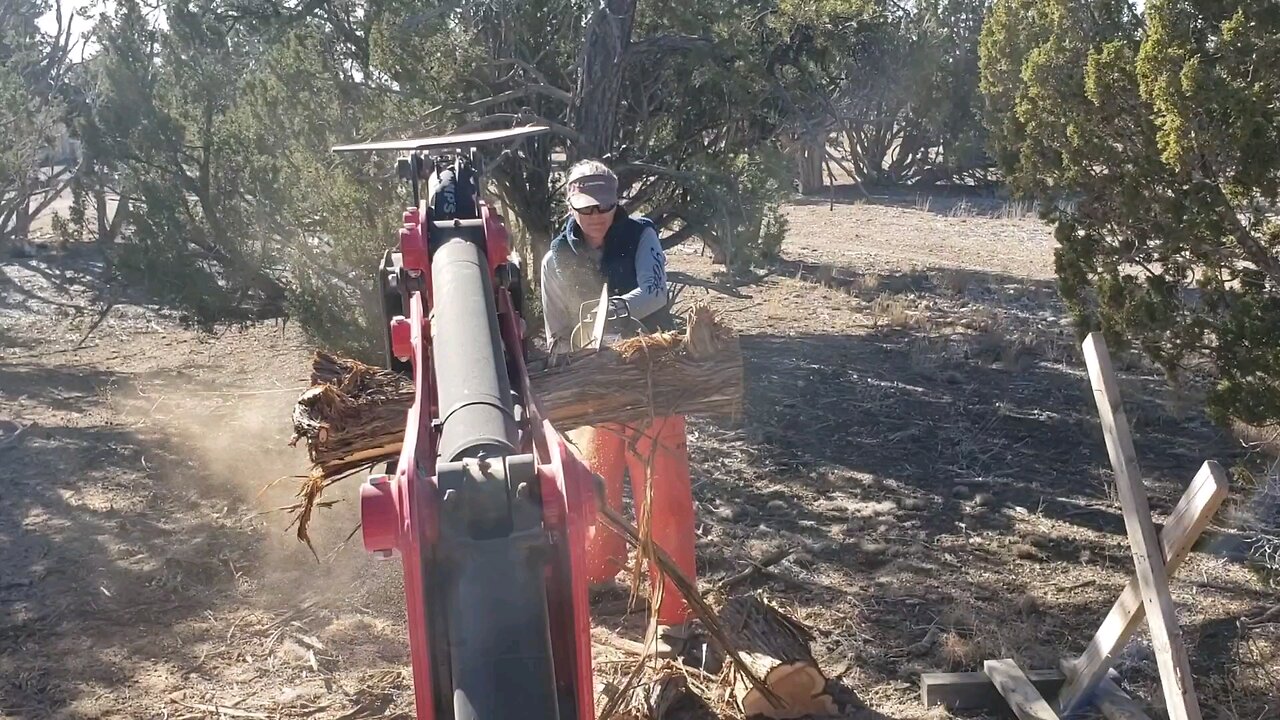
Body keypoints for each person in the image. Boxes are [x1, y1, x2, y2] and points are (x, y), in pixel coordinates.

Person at [539, 159, 697, 657]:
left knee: (663, 496)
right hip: (595, 389)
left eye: (606, 205)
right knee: (594, 486)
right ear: (571, 205)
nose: (598, 215)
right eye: (587, 207)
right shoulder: (555, 260)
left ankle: (673, 616)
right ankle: (595, 576)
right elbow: (556, 330)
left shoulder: (642, 236)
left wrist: (615, 310)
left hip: (651, 379)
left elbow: (654, 294)